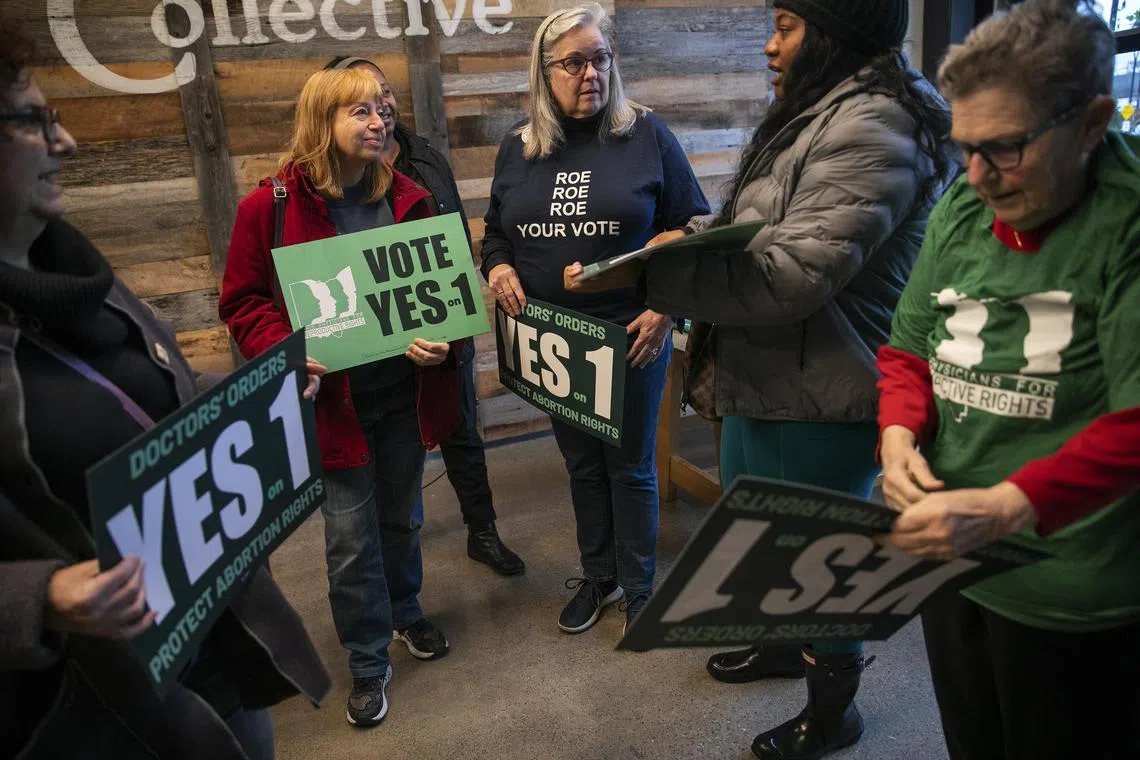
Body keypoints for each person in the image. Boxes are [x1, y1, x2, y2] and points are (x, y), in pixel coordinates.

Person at [567, 0, 953, 757]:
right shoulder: (820, 110)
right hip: (773, 368)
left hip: (824, 380)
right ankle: (783, 646)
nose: (769, 47)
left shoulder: (875, 126)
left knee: (817, 555)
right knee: (763, 534)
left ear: (834, 33)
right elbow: (761, 221)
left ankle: (833, 708)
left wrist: (652, 283)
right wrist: (684, 241)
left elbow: (791, 276)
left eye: (786, 26)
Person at [0, 20, 331, 760]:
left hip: (212, 643)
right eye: (31, 121)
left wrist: (249, 388)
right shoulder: (266, 204)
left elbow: (149, 398)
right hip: (88, 712)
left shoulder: (78, 274)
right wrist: (41, 598)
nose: (66, 144)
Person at [876, 2, 1140, 758]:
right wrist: (897, 437)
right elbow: (908, 349)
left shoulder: (1125, 223)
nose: (978, 176)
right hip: (956, 556)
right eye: (965, 148)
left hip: (1071, 588)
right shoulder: (962, 203)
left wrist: (1006, 507)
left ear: (1092, 122)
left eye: (1006, 149)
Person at [219, 67, 461, 729]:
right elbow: (242, 302)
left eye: (384, 108)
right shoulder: (267, 206)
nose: (380, 121)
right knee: (350, 541)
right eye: (361, 111)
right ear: (323, 120)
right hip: (336, 412)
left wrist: (442, 343)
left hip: (403, 399)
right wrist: (284, 348)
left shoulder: (412, 196)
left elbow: (442, 296)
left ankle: (406, 612)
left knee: (403, 518)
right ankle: (365, 659)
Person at [481, 3, 710, 636]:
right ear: (544, 71)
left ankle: (639, 586)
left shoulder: (647, 135)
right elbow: (496, 232)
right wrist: (497, 268)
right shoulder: (518, 147)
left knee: (630, 464)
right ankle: (599, 575)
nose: (591, 73)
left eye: (601, 58)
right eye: (574, 62)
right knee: (581, 464)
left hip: (631, 333)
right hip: (553, 340)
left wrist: (666, 308)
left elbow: (691, 227)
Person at [324, 55, 525, 578]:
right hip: (374, 340)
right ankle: (384, 564)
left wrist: (458, 311)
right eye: (365, 99)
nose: (382, 105)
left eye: (385, 92)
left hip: (438, 322)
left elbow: (455, 234)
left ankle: (482, 531)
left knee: (461, 428)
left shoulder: (425, 156)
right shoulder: (334, 178)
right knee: (389, 458)